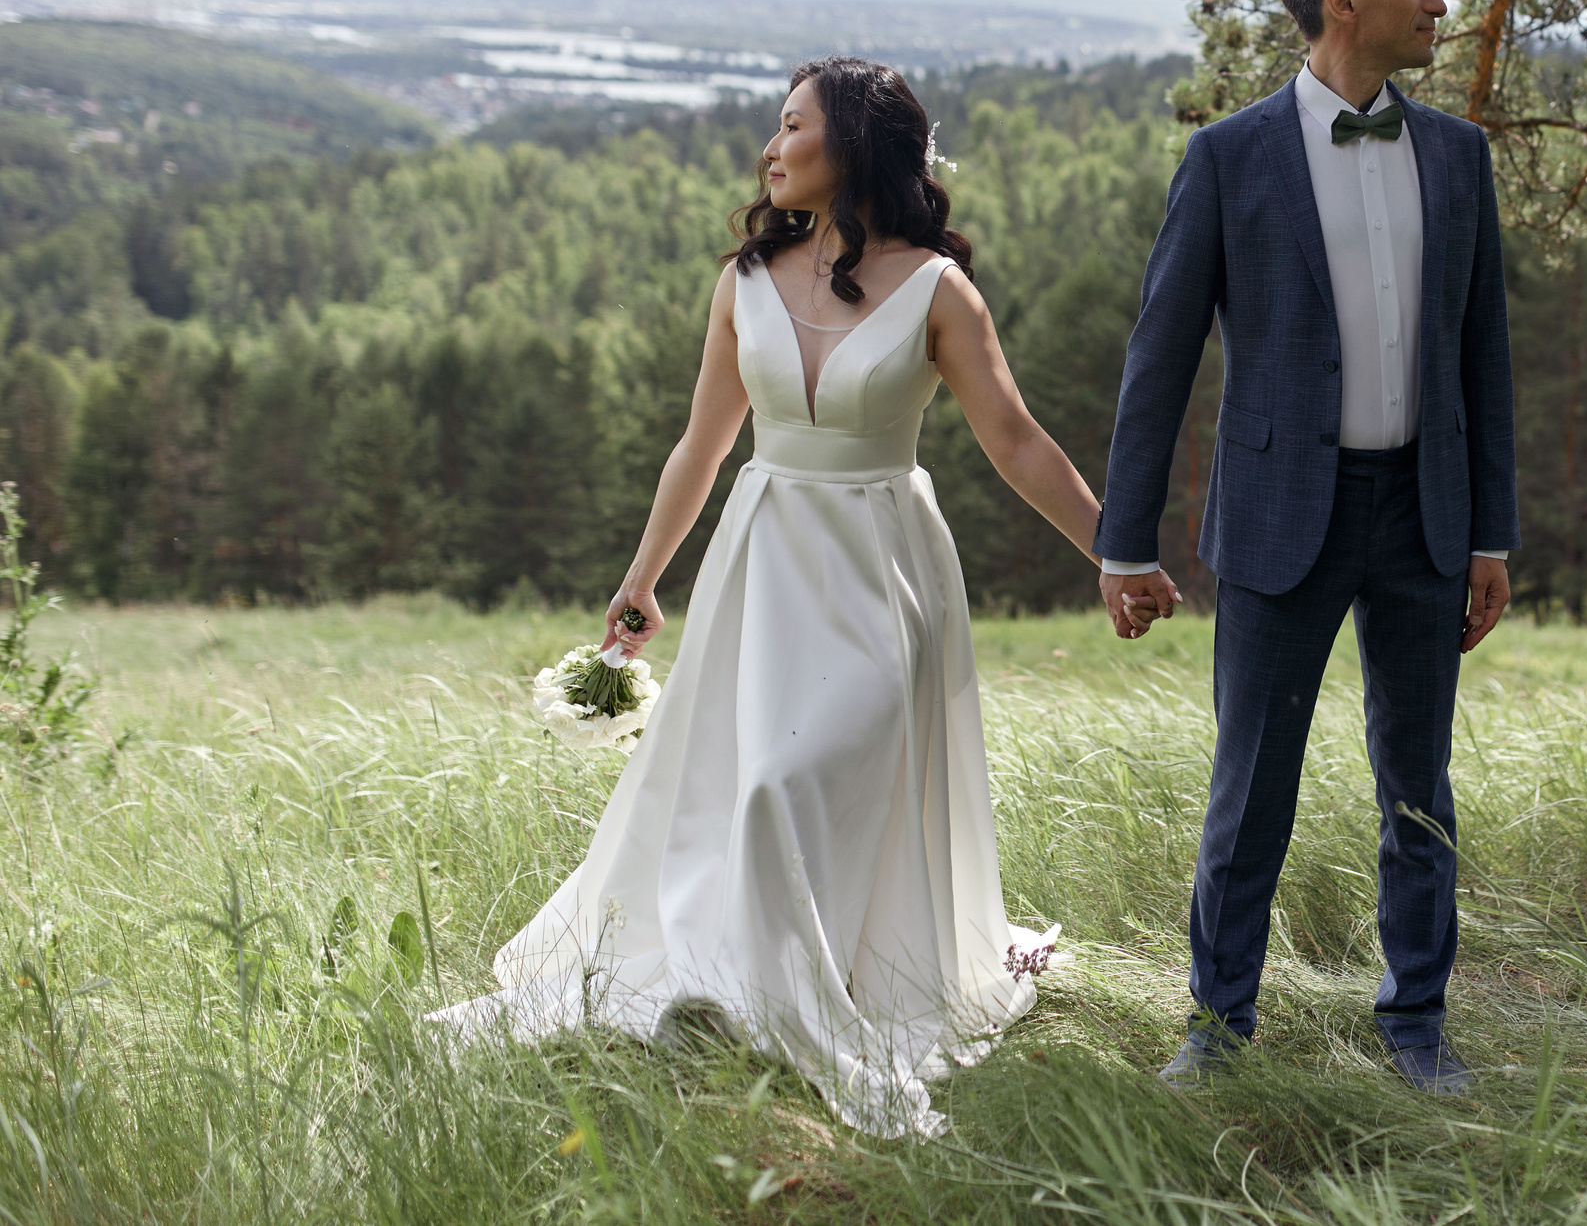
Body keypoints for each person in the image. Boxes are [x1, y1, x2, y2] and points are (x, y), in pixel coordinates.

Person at [432, 57, 1114, 1137]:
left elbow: (1016, 441)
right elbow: (699, 449)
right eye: (773, 127)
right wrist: (642, 580)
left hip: (882, 576)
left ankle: (809, 995)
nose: (772, 146)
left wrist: (1112, 552)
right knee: (749, 786)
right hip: (764, 568)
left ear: (853, 144)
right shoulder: (743, 281)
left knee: (787, 784)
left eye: (792, 126)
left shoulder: (940, 291)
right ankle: (741, 994)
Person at [1096, 0, 1519, 1095]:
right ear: (1344, 1)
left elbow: (1484, 355)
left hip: (1426, 520)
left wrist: (1491, 530)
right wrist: (1121, 543)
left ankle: (1418, 1029)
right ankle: (1218, 1029)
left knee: (1417, 791)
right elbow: (1158, 359)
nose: (1438, 1)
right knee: (1251, 787)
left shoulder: (1458, 154)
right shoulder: (1229, 159)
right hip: (1286, 518)